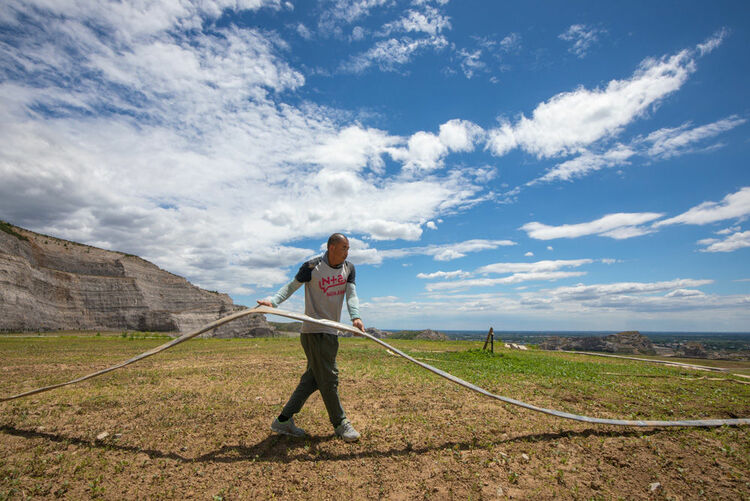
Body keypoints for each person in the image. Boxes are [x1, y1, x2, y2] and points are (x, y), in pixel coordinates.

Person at [257, 233, 365, 442]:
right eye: (344, 248)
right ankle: (341, 423)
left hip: (331, 332)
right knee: (329, 379)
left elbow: (351, 295)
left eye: (348, 248)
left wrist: (356, 317)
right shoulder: (311, 266)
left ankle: (283, 420)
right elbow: (291, 286)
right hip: (314, 333)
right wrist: (273, 302)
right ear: (331, 247)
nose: (347, 252)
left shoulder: (349, 268)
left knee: (313, 379)